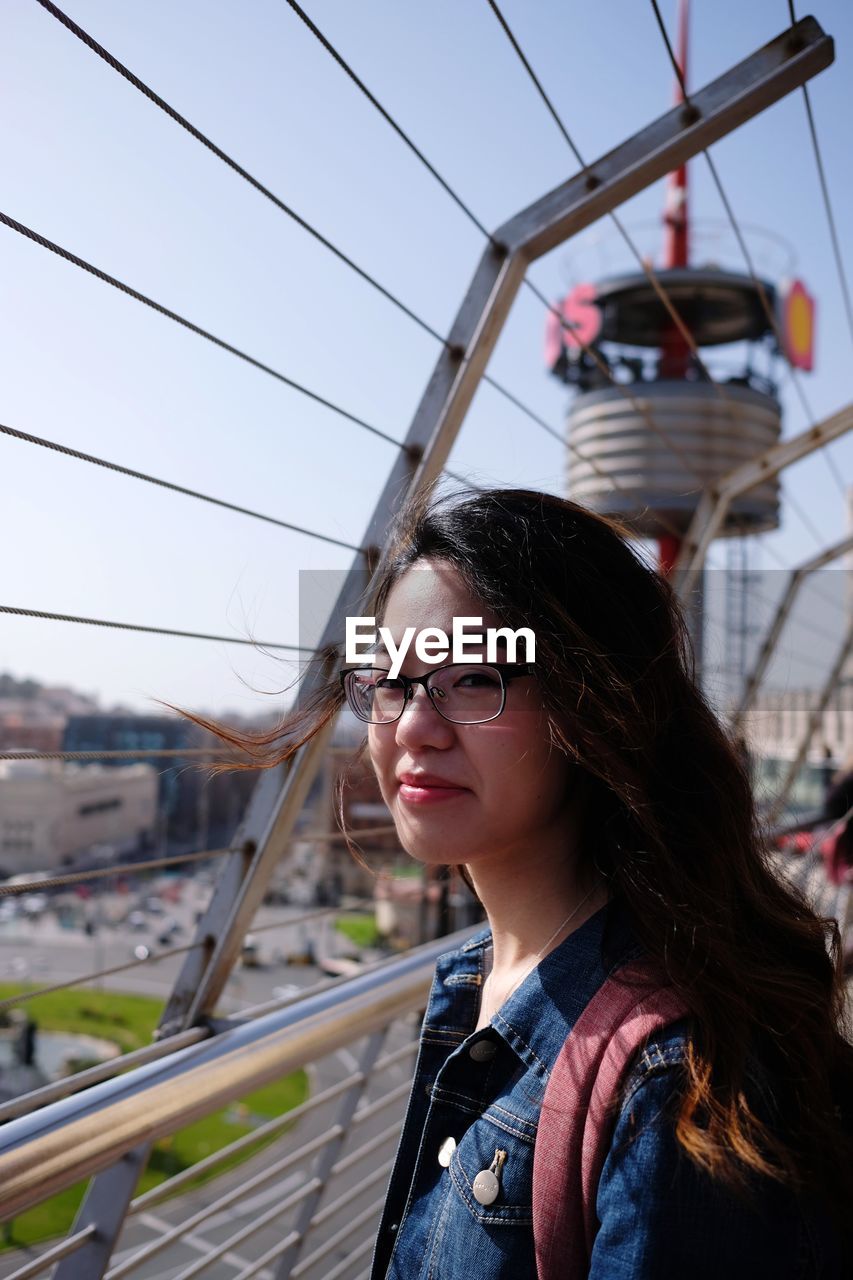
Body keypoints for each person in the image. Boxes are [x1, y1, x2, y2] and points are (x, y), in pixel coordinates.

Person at [178, 486, 853, 1278]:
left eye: (472, 678)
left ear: (593, 705)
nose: (412, 729)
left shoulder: (672, 1086)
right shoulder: (476, 982)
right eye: (390, 681)